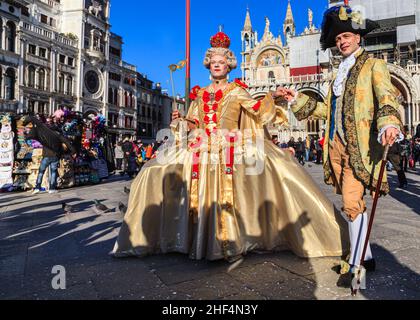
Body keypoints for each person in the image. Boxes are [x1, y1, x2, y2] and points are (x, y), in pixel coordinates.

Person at [112, 31, 348, 262]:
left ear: (229, 65)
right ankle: (180, 238)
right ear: (208, 65)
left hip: (231, 145)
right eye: (213, 62)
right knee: (153, 171)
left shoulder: (237, 91)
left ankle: (237, 238)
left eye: (221, 62)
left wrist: (273, 96)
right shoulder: (200, 94)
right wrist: (180, 119)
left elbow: (256, 110)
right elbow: (194, 122)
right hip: (201, 145)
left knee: (276, 170)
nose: (217, 65)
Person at [276, 4, 403, 283]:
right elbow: (326, 112)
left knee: (350, 201)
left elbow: (386, 98)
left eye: (346, 36)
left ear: (358, 37)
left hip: (359, 145)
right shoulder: (336, 75)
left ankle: (356, 262)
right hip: (335, 145)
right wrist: (295, 99)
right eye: (337, 39)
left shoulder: (373, 65)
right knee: (352, 202)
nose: (341, 42)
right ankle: (366, 256)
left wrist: (389, 123)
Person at [22, 115, 76, 194]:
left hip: (46, 155)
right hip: (55, 156)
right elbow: (67, 142)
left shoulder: (44, 135)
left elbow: (33, 121)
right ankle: (51, 188)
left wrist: (25, 127)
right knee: (53, 172)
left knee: (41, 171)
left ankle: (37, 187)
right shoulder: (58, 135)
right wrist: (73, 151)